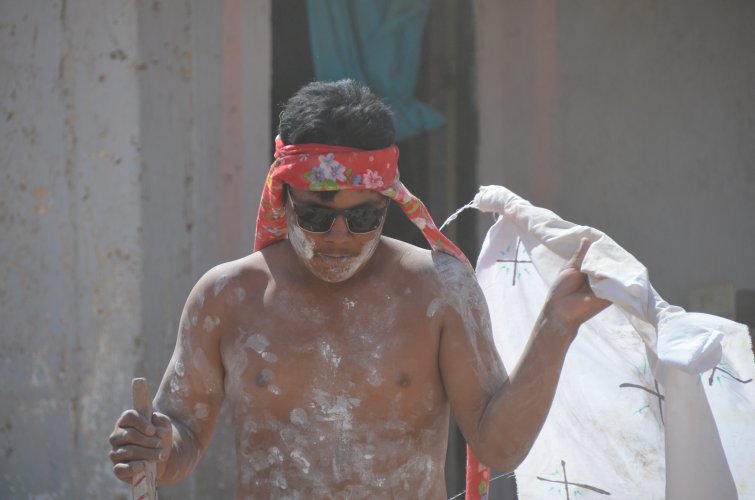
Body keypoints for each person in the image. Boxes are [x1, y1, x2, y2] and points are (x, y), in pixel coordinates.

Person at [109, 79, 609, 498]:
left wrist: (555, 328)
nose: (340, 237)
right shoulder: (226, 298)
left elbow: (499, 446)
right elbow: (181, 435)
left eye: (363, 216)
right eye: (317, 215)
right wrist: (152, 447)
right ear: (283, 200)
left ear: (389, 201)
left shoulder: (440, 291)